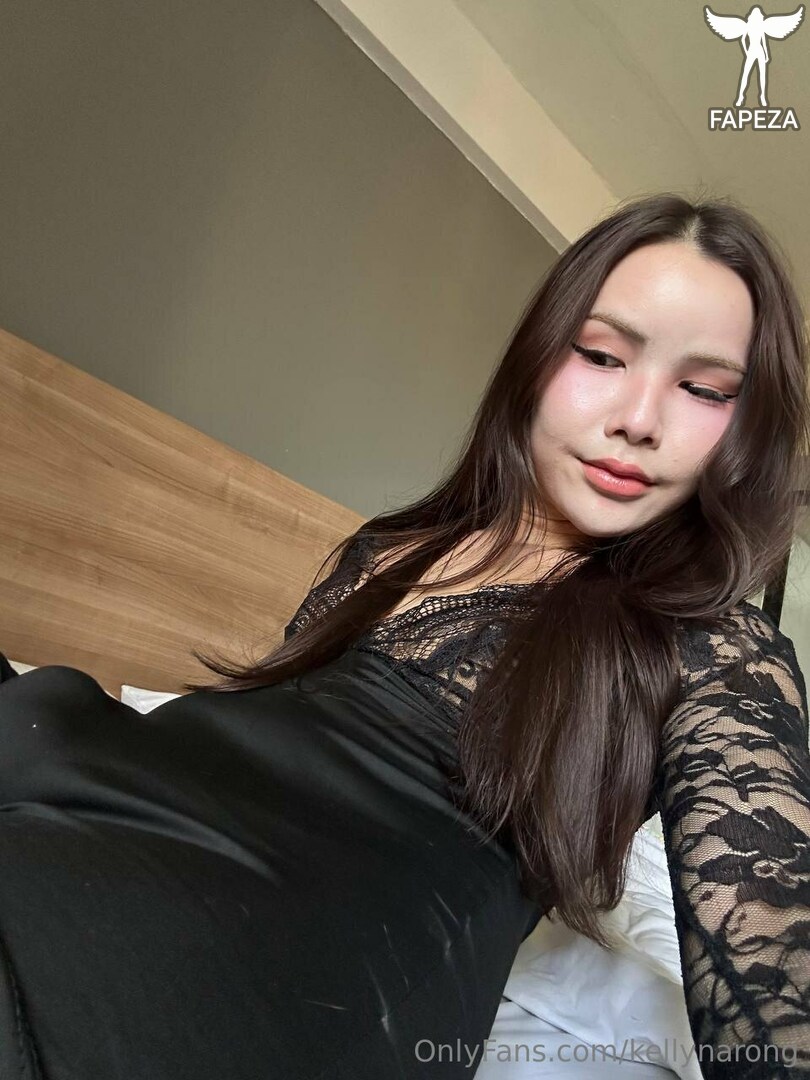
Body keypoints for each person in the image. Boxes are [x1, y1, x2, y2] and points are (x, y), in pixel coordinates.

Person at [0, 191, 808, 1080]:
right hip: (96, 785)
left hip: (264, 960)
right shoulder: (392, 546)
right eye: (602, 354)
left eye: (705, 390)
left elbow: (776, 987)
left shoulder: (716, 648)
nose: (640, 418)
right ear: (538, 355)